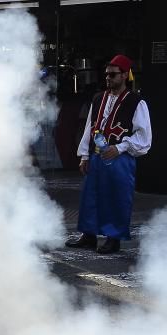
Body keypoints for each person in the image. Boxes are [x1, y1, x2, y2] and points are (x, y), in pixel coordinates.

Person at [66, 54, 152, 254]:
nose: (108, 78)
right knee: (91, 195)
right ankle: (89, 235)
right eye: (106, 74)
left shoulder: (136, 103)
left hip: (120, 158)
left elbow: (144, 137)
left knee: (117, 197)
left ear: (124, 76)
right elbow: (90, 127)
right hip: (97, 155)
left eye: (113, 75)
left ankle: (113, 238)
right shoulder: (98, 98)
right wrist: (84, 155)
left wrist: (120, 147)